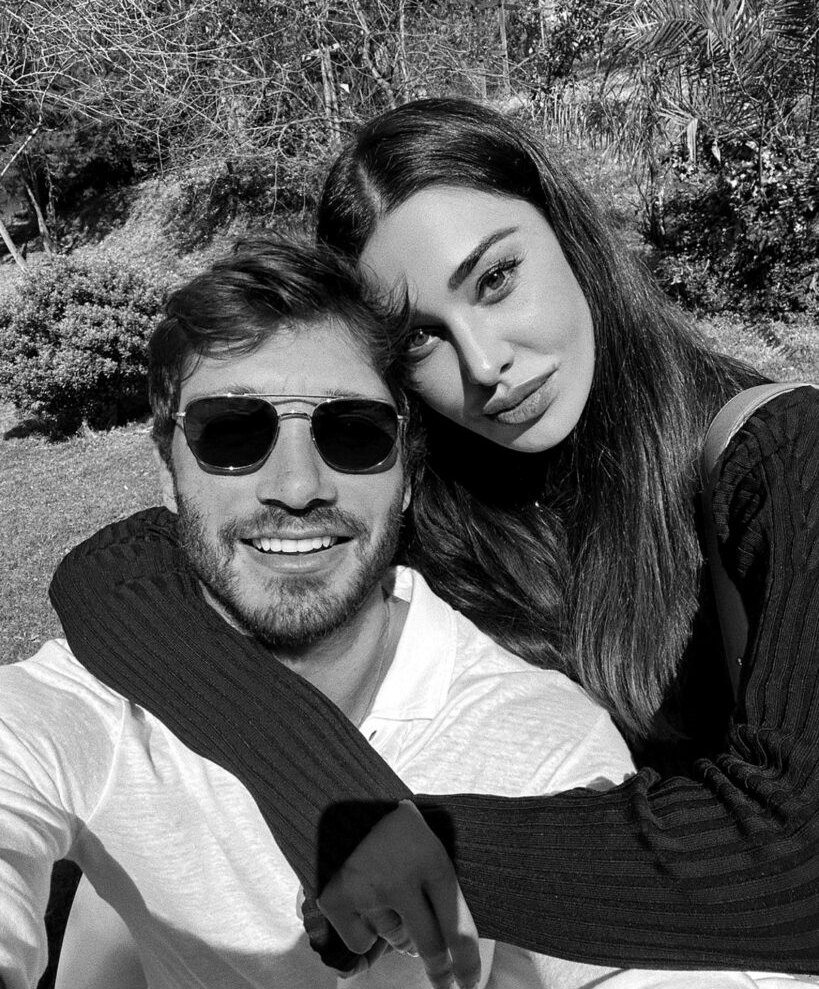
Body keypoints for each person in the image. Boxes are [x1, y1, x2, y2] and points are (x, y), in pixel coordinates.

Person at [46, 99, 819, 983]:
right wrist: (325, 788)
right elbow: (116, 573)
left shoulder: (780, 456)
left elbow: (799, 858)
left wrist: (412, 849)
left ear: (571, 236)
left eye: (495, 279)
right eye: (421, 336)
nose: (485, 364)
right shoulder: (441, 496)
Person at [2, 235, 649, 989]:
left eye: (353, 433)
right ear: (167, 467)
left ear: (407, 477)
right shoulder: (94, 701)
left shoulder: (543, 745)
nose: (297, 486)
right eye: (232, 432)